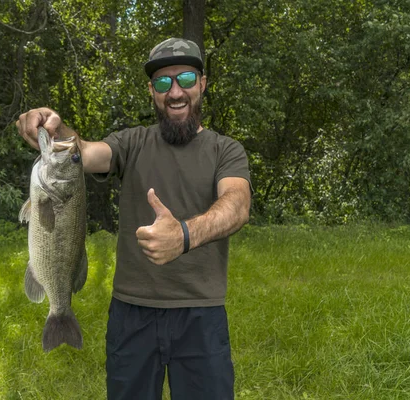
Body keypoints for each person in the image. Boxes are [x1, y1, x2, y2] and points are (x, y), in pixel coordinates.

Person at [16, 38, 252, 400]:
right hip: (132, 315)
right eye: (162, 83)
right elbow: (84, 153)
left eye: (186, 78)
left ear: (202, 83)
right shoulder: (132, 143)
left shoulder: (226, 150)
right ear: (151, 91)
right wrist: (55, 129)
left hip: (201, 315)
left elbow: (237, 204)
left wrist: (184, 235)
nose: (175, 91)